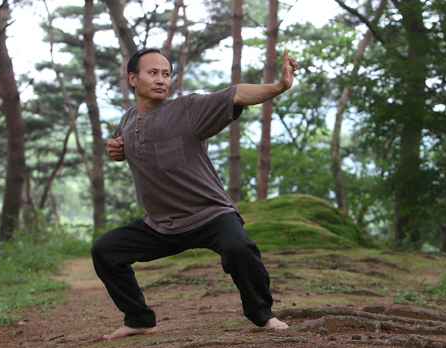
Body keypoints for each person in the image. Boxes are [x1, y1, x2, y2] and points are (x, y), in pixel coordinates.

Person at [91, 47, 298, 340]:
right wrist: (114, 149)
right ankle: (139, 318)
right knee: (105, 251)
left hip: (210, 215)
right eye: (153, 73)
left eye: (166, 74)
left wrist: (278, 87)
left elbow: (236, 94)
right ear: (133, 79)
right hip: (160, 224)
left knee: (240, 248)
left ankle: (262, 314)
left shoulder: (188, 110)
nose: (162, 79)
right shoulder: (127, 119)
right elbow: (122, 144)